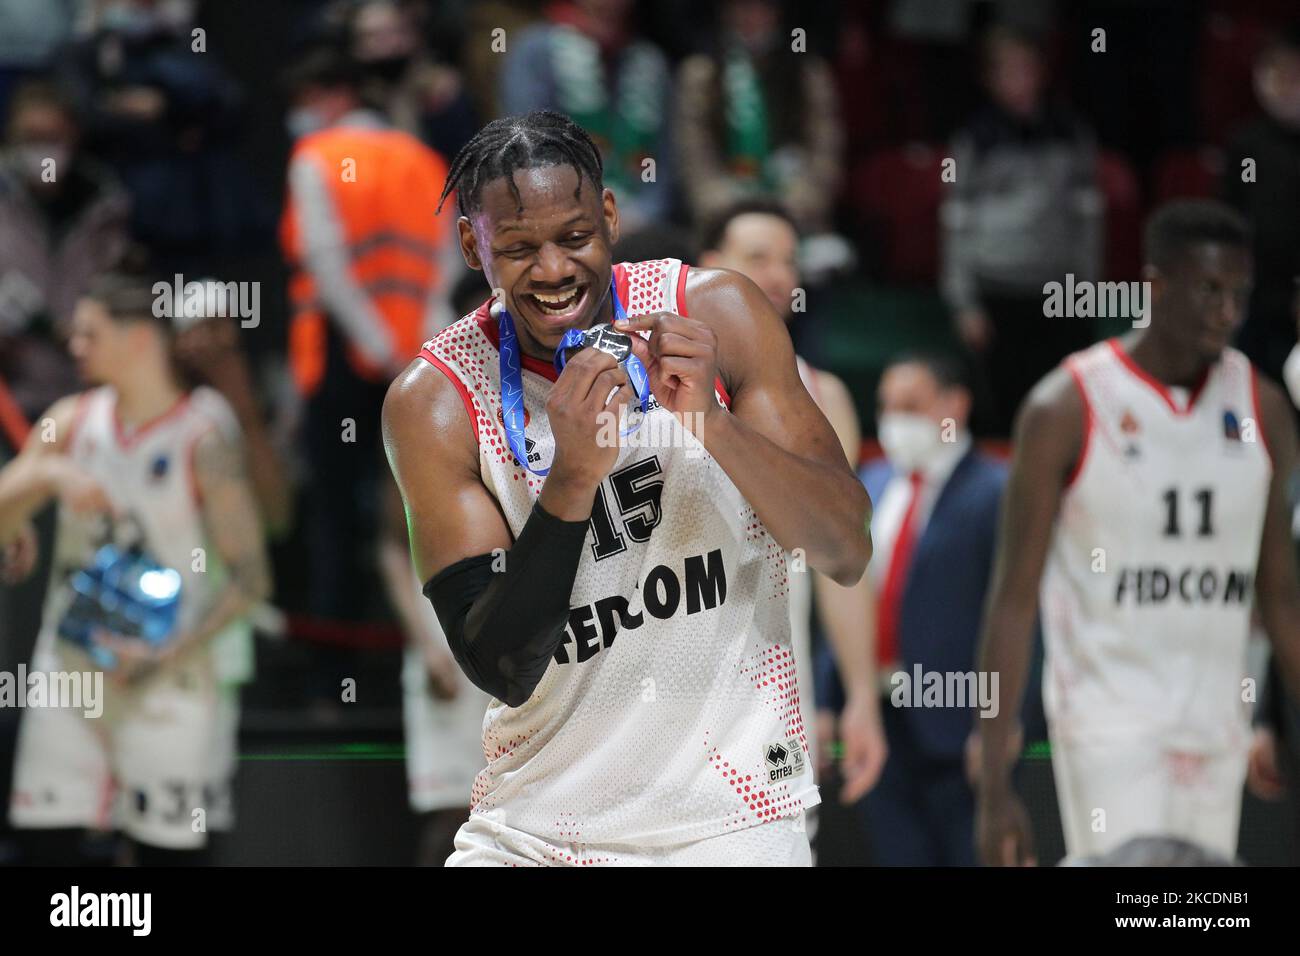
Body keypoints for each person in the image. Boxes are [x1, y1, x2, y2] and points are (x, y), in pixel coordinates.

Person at [383, 109, 871, 866]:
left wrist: (714, 424)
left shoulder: (719, 311)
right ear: (472, 244)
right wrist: (572, 478)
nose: (551, 271)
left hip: (729, 813)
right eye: (516, 248)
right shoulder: (435, 400)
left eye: (574, 238)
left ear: (608, 214)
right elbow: (502, 665)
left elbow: (845, 547)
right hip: (534, 823)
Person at [973, 200, 1300, 865]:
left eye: (1238, 293)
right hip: (1108, 722)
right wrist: (993, 787)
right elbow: (1012, 599)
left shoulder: (1263, 405)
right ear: (1155, 286)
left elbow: (1282, 596)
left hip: (1215, 723)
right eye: (1209, 289)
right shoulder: (1066, 404)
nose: (1226, 311)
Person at [0, 271, 270, 865]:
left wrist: (165, 652)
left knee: (167, 853)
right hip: (71, 668)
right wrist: (46, 475)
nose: (73, 346)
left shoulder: (202, 436)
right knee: (46, 845)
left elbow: (253, 580)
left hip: (166, 672)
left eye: (89, 333)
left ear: (139, 340)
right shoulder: (71, 419)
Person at [698, 197, 885, 807]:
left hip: (776, 692)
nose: (780, 275)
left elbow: (844, 568)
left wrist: (859, 695)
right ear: (708, 266)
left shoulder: (824, 393)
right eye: (759, 258)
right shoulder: (652, 381)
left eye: (790, 261)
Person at [280, 48, 451, 624]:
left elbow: (326, 263)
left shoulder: (316, 157)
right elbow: (449, 260)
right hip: (423, 360)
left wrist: (376, 345)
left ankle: (335, 669)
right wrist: (418, 345)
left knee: (335, 512)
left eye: (304, 101)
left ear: (331, 97)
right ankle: (426, 638)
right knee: (419, 498)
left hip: (344, 358)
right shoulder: (422, 158)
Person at [941, 24, 1102, 436]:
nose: (1018, 81)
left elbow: (1088, 221)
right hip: (995, 291)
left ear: (1042, 73)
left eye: (1025, 69)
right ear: (989, 79)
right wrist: (964, 303)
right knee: (998, 415)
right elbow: (955, 223)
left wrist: (1085, 289)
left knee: (1061, 411)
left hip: (1056, 291)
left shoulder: (1072, 133)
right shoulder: (973, 139)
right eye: (1006, 71)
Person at [0, 80, 130, 422]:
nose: (43, 151)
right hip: (11, 400)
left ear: (73, 136)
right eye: (32, 138)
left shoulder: (105, 205)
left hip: (87, 400)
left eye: (52, 138)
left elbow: (118, 294)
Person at [1223, 21, 1300, 387]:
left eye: (1294, 74)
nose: (1285, 84)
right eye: (1276, 72)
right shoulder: (1247, 145)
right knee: (1255, 396)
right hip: (1259, 301)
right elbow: (1230, 219)